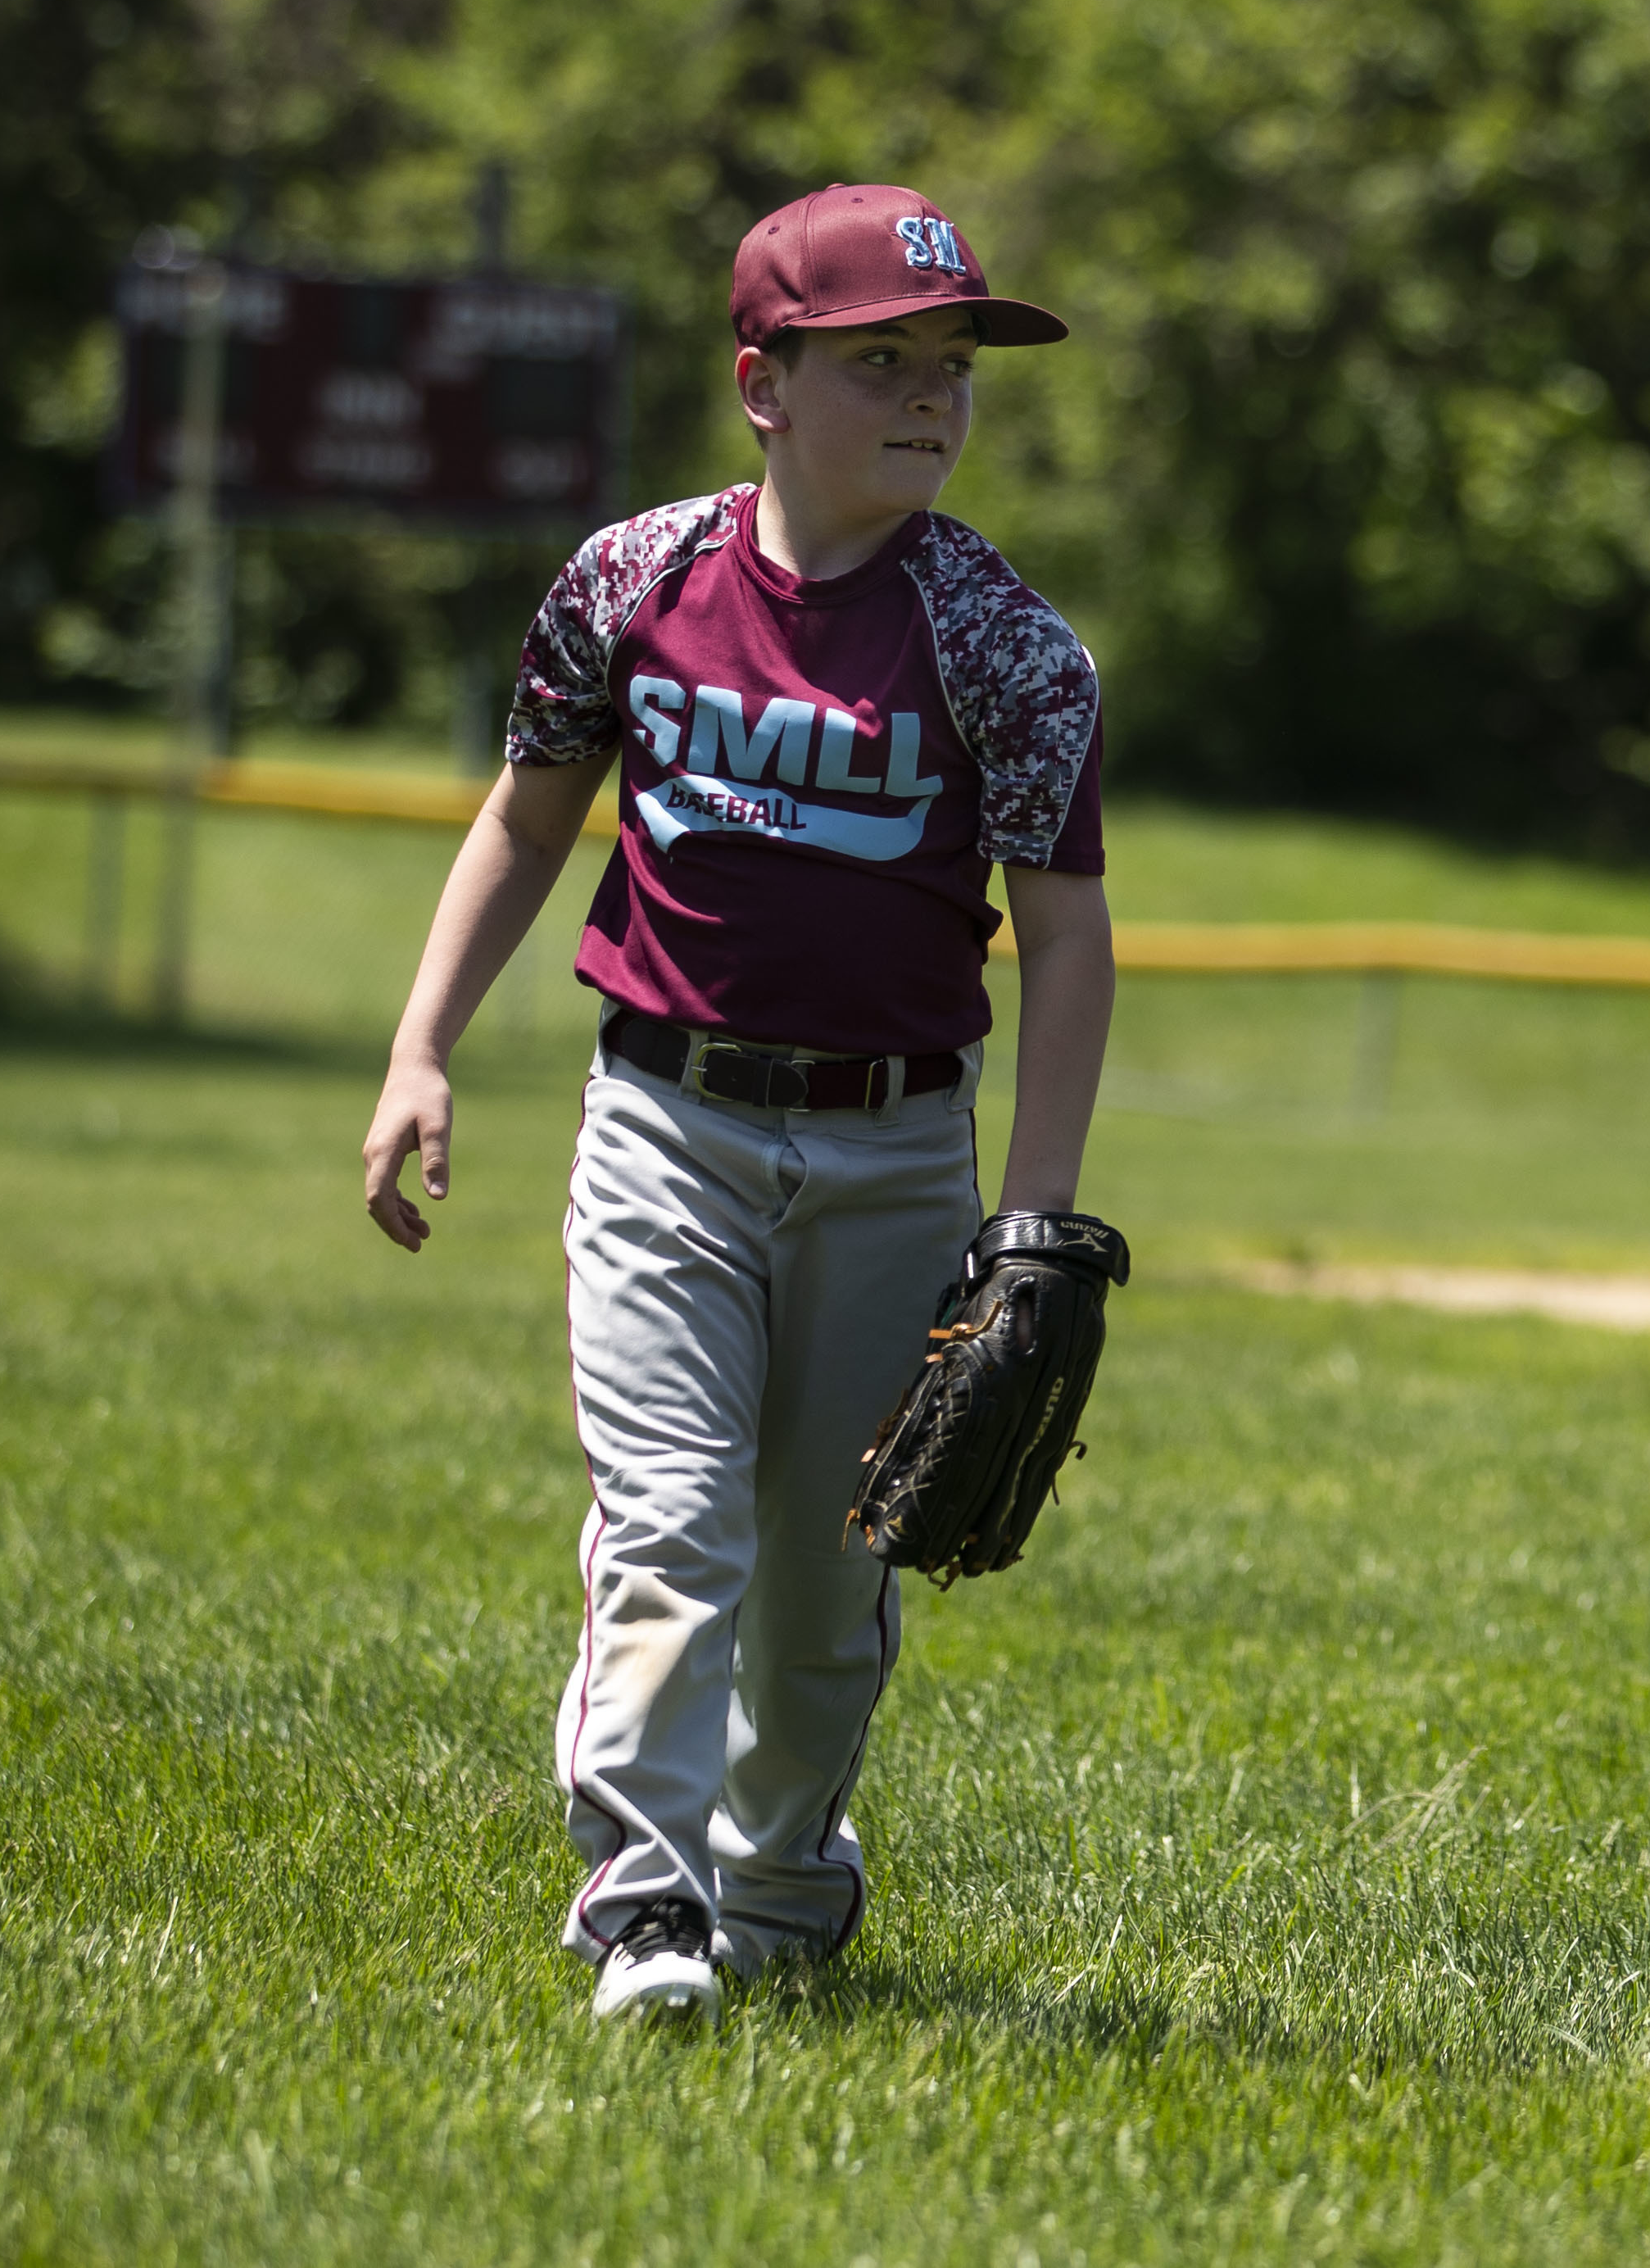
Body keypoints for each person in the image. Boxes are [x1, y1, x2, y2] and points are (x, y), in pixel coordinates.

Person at [358, 184, 1117, 2021]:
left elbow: (1069, 941)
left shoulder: (1004, 644)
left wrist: (1029, 1218)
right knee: (671, 1522)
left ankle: (780, 1878)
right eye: (882, 364)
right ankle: (643, 1900)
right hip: (664, 1129)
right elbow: (530, 811)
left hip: (891, 1146)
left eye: (950, 368)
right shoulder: (632, 582)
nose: (932, 399)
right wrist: (420, 1046)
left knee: (823, 1583)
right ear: (762, 382)